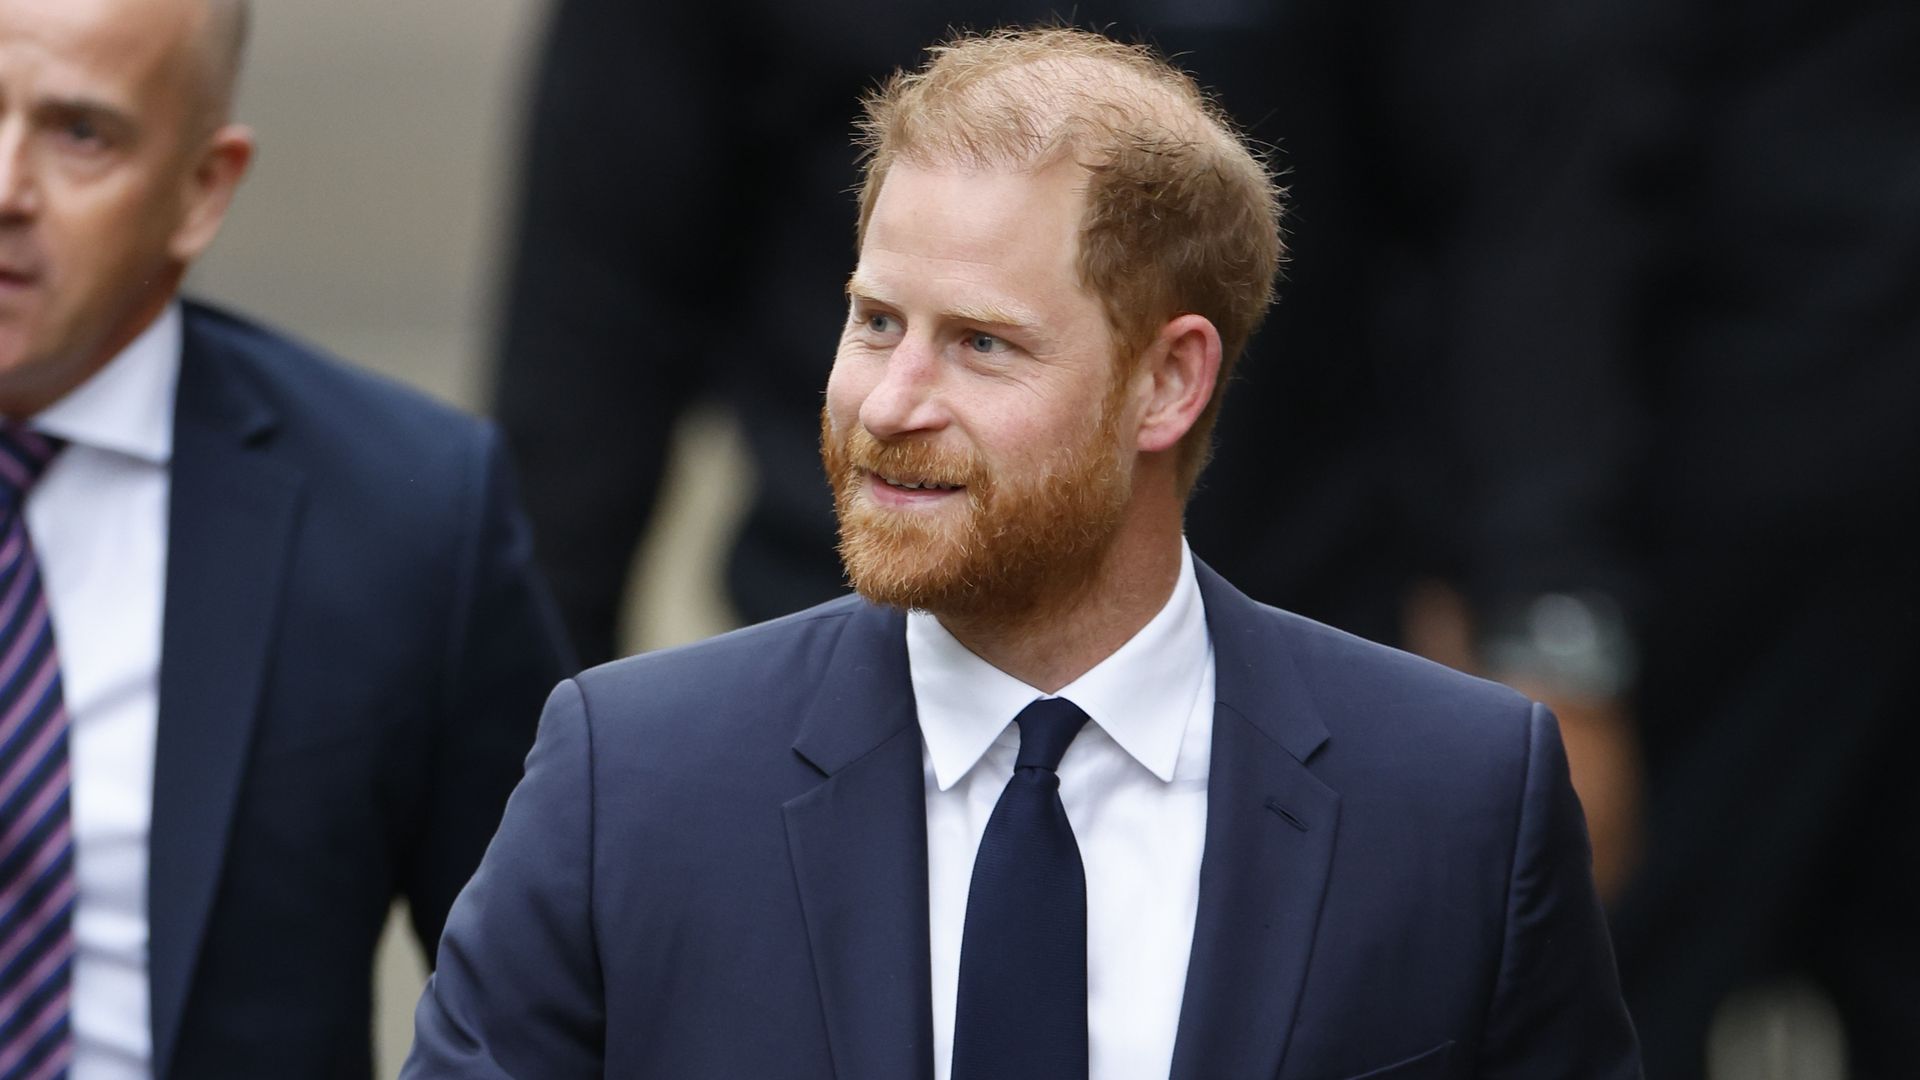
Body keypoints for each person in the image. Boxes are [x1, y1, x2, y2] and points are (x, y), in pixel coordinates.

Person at [407, 27, 1639, 1079]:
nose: (890, 403)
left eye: (982, 344)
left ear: (1170, 381)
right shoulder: (628, 784)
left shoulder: (1461, 801)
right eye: (875, 322)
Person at [0, 0, 571, 1076]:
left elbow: (557, 999)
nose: (5, 190)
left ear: (200, 190)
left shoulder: (402, 513)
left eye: (81, 134)